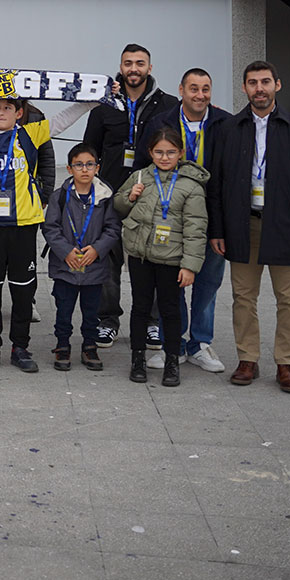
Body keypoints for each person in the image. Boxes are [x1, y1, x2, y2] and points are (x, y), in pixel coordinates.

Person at [0, 77, 100, 373]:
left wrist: (92, 100)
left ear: (19, 112)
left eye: (7, 107)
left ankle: (20, 347)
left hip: (24, 225)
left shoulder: (31, 133)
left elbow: (64, 119)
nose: (0, 111)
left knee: (23, 288)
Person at [207, 61, 290, 394]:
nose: (259, 88)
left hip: (287, 227)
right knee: (243, 297)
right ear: (244, 88)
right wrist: (217, 229)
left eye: (265, 82)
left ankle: (286, 364)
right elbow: (216, 185)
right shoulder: (230, 129)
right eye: (252, 83)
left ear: (277, 85)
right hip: (243, 225)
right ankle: (248, 359)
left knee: (289, 300)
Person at [135, 68, 231, 373]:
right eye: (193, 89)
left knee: (207, 284)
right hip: (170, 219)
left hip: (213, 218)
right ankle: (171, 344)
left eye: (205, 89)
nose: (200, 95)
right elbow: (141, 164)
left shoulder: (224, 124)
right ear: (181, 90)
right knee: (170, 285)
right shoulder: (161, 122)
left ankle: (199, 344)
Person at [84, 44, 179, 348]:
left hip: (152, 193)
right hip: (110, 194)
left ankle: (150, 321)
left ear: (149, 68)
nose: (134, 69)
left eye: (140, 63)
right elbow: (90, 150)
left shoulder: (168, 106)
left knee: (149, 257)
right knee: (108, 260)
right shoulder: (104, 106)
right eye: (128, 63)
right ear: (121, 67)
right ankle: (107, 320)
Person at [114, 128, 209, 387]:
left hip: (171, 259)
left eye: (170, 152)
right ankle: (137, 359)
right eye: (159, 152)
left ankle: (171, 361)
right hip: (140, 254)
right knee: (140, 307)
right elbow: (119, 206)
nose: (164, 157)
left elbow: (195, 229)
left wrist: (190, 266)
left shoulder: (190, 185)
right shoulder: (141, 176)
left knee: (170, 309)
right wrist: (130, 196)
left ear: (180, 153)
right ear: (150, 153)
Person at [42, 143, 119, 371]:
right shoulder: (60, 197)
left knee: (91, 311)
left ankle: (89, 346)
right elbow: (50, 228)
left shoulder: (105, 197)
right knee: (63, 310)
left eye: (89, 164)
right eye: (78, 165)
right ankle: (62, 345)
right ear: (69, 168)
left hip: (94, 268)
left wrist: (97, 249)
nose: (84, 169)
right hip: (66, 267)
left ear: (97, 167)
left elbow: (113, 228)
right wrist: (65, 251)